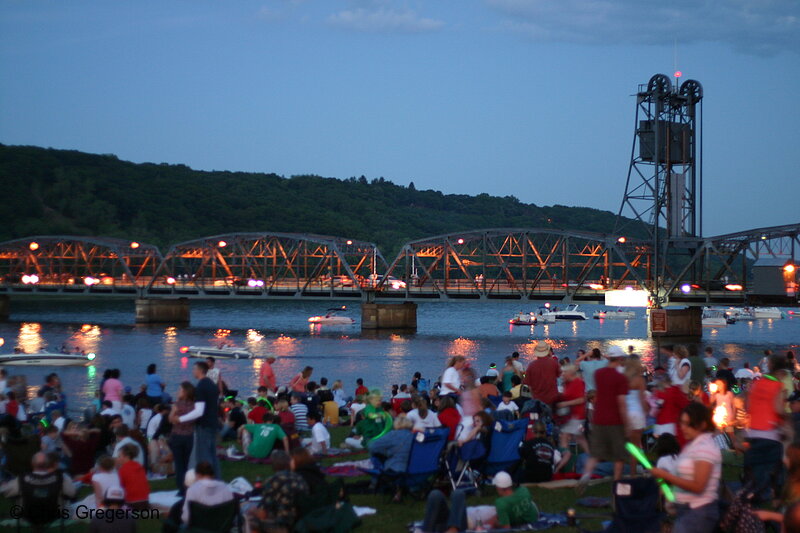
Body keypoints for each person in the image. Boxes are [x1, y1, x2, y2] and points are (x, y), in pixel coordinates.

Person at [650, 403, 721, 533]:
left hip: (699, 512)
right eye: (682, 423)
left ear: (702, 424)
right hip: (688, 510)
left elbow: (698, 486)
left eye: (688, 424)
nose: (683, 428)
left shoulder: (705, 448)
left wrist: (665, 476)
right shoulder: (692, 445)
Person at [578, 346, 629, 490]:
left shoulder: (599, 374)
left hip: (599, 417)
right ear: (619, 359)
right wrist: (626, 424)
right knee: (619, 455)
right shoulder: (621, 378)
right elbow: (622, 403)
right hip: (614, 419)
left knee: (595, 453)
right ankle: (617, 484)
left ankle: (585, 477)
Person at [419, 471, 538, 532]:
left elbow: (505, 527)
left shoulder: (505, 503)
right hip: (456, 515)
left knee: (457, 493)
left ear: (499, 487)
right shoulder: (522, 493)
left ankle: (451, 529)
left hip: (466, 521)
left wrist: (490, 523)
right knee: (437, 494)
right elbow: (531, 513)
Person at [744, 354, 787, 502]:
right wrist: (786, 420)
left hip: (753, 433)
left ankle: (752, 500)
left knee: (757, 471)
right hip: (770, 434)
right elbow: (779, 409)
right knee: (775, 468)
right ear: (781, 372)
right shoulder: (777, 386)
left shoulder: (757, 383)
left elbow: (748, 406)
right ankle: (774, 500)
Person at [171, 361, 221, 479]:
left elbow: (199, 411)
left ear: (200, 371)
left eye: (194, 370)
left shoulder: (201, 387)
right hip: (213, 423)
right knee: (213, 454)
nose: (193, 372)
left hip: (204, 425)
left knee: (204, 456)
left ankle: (207, 482)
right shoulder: (212, 385)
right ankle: (217, 480)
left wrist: (180, 419)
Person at [0, 451, 77, 509]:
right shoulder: (62, 478)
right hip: (55, 514)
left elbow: (5, 491)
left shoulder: (22, 480)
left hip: (28, 515)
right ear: (48, 464)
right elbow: (72, 493)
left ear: (32, 464)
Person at [256, 450, 309, 529]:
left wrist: (252, 512)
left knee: (250, 519)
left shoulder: (273, 480)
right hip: (302, 520)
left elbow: (263, 512)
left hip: (282, 522)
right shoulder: (299, 478)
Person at [554, 365, 588, 472]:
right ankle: (590, 458)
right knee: (580, 439)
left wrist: (565, 403)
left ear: (571, 373)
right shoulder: (566, 384)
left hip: (577, 416)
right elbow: (566, 396)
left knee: (564, 438)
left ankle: (563, 463)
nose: (562, 375)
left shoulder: (578, 383)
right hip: (569, 416)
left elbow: (581, 400)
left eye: (564, 373)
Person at [624, 355, 648, 472]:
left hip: (625, 413)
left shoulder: (622, 378)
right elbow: (642, 399)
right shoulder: (639, 379)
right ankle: (634, 473)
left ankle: (624, 470)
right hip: (637, 413)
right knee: (636, 445)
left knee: (626, 445)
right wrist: (646, 412)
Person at [523, 341, 561, 407]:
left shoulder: (531, 366)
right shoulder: (554, 363)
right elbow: (559, 375)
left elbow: (528, 384)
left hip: (537, 399)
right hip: (552, 398)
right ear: (548, 351)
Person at [116, 443, 150, 510]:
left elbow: (120, 487)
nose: (117, 459)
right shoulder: (139, 466)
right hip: (145, 501)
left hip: (132, 502)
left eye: (119, 456)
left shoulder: (123, 470)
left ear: (126, 457)